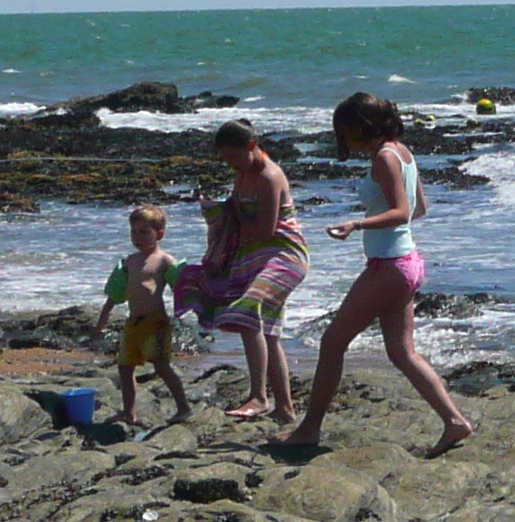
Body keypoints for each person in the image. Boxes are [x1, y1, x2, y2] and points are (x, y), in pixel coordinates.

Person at [277, 92, 473, 456]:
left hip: (390, 267)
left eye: (344, 131)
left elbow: (401, 211)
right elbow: (420, 209)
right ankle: (455, 422)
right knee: (402, 352)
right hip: (407, 262)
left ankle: (309, 429)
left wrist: (358, 223)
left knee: (332, 342)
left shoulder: (384, 157)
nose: (343, 140)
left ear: (358, 127)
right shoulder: (402, 152)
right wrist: (381, 221)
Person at [176, 120, 306, 423]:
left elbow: (265, 229)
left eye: (234, 156)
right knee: (268, 334)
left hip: (285, 253)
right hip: (253, 255)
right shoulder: (242, 173)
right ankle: (285, 409)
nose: (230, 164)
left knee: (247, 313)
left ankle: (259, 397)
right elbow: (237, 210)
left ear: (251, 146)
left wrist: (234, 216)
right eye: (225, 159)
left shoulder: (269, 177)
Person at [98, 204, 194, 426]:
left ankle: (184, 408)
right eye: (133, 232)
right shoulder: (129, 262)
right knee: (124, 367)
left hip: (156, 322)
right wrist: (102, 321)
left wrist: (201, 309)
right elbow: (114, 295)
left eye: (143, 232)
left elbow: (184, 290)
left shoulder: (164, 261)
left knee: (161, 366)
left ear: (159, 234)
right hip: (133, 322)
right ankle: (129, 412)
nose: (136, 237)